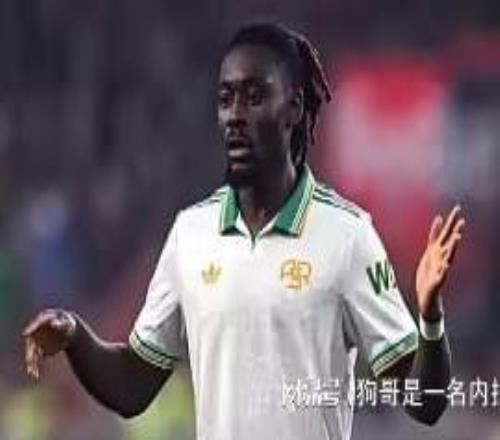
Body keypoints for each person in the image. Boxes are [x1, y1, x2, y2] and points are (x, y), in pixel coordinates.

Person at [23, 23, 466, 440]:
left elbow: (425, 403)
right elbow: (131, 387)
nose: (235, 115)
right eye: (226, 98)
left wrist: (429, 315)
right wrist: (76, 336)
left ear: (294, 108)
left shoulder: (347, 236)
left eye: (254, 97)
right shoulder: (191, 235)